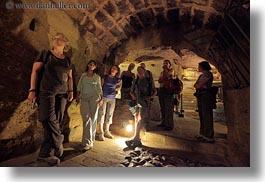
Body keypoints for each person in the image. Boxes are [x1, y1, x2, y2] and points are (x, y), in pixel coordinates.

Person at [27, 33, 73, 163]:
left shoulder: (67, 60)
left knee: (55, 122)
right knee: (47, 119)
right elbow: (35, 71)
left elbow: (70, 77)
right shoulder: (46, 54)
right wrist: (32, 90)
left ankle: (45, 153)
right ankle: (59, 142)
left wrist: (71, 91)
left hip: (62, 94)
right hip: (47, 92)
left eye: (60, 38)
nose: (56, 40)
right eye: (55, 38)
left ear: (65, 43)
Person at [125, 66, 156, 148]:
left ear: (144, 71)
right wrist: (133, 95)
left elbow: (154, 91)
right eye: (138, 70)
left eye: (141, 70)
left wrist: (149, 97)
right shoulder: (136, 80)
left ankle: (136, 138)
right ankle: (136, 138)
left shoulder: (148, 81)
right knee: (136, 119)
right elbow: (131, 91)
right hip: (136, 102)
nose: (139, 72)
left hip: (144, 102)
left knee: (140, 119)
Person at [76, 60, 103, 151]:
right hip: (84, 97)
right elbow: (79, 86)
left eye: (93, 65)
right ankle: (86, 142)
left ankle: (90, 140)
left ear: (95, 67)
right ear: (88, 65)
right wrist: (77, 95)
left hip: (94, 98)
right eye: (90, 64)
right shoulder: (83, 75)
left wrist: (101, 98)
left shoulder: (97, 77)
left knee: (93, 118)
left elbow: (99, 88)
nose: (91, 66)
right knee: (86, 118)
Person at [96, 65, 121, 141]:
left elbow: (118, 88)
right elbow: (100, 86)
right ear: (110, 69)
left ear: (117, 71)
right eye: (113, 68)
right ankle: (100, 132)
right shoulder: (105, 77)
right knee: (101, 113)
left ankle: (107, 131)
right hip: (104, 97)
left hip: (112, 98)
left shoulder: (117, 79)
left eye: (115, 69)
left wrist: (117, 89)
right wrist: (100, 97)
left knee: (110, 114)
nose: (114, 70)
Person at [194, 61, 215, 143]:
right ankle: (203, 133)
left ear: (203, 67)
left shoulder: (208, 74)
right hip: (201, 95)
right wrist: (200, 85)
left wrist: (200, 85)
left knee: (206, 115)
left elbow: (198, 85)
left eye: (199, 66)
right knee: (202, 115)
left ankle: (209, 136)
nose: (198, 68)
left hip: (206, 96)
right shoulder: (202, 75)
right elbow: (196, 85)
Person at [157, 60, 175, 131]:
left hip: (168, 90)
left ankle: (169, 124)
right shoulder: (162, 72)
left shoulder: (171, 71)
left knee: (168, 108)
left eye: (166, 63)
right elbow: (160, 80)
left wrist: (165, 71)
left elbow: (166, 78)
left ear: (169, 65)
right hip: (162, 90)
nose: (165, 64)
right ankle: (164, 122)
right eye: (164, 63)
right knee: (163, 107)